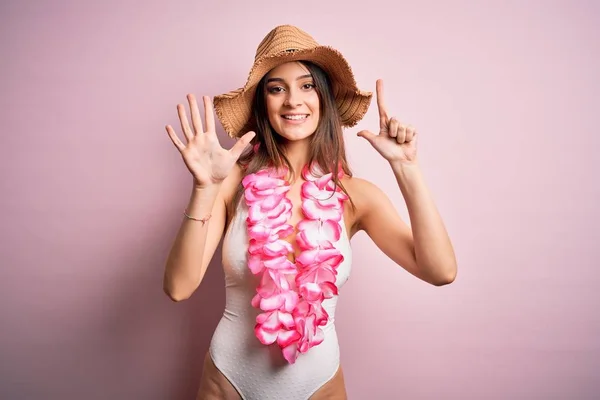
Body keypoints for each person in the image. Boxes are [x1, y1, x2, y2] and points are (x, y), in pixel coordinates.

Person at [163, 25, 457, 400]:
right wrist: (203, 189)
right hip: (227, 384)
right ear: (262, 103)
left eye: (307, 85)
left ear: (324, 99)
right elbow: (178, 287)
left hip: (319, 388)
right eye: (276, 88)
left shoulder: (354, 196)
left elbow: (441, 271)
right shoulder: (230, 184)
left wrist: (407, 167)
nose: (292, 101)